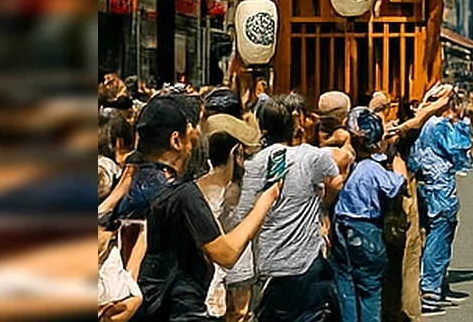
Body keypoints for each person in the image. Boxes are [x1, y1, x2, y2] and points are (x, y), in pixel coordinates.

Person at [131, 94, 285, 322]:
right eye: (192, 134)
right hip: (179, 311)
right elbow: (226, 254)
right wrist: (266, 199)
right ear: (176, 140)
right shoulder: (183, 195)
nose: (195, 143)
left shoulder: (130, 183)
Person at [236, 92, 350, 322]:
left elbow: (243, 214)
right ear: (295, 123)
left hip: (270, 266)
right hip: (308, 263)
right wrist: (321, 205)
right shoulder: (312, 157)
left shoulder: (254, 164)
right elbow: (338, 174)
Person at [329, 108, 406, 322]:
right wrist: (398, 166)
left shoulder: (345, 164)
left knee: (345, 284)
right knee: (370, 288)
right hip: (366, 230)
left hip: (341, 228)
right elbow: (395, 186)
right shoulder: (371, 168)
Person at [408, 85, 473, 311]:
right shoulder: (438, 125)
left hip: (426, 183)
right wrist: (462, 122)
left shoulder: (422, 122)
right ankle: (430, 290)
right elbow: (462, 147)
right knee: (440, 235)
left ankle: (435, 286)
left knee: (433, 235)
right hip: (438, 186)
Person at [198, 111, 258, 320]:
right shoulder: (249, 174)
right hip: (232, 260)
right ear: (236, 151)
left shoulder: (194, 183)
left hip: (215, 266)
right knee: (238, 313)